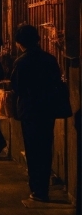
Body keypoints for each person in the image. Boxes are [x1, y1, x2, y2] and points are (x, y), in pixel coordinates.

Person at [11, 23, 65, 202]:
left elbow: (17, 87)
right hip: (47, 109)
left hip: (30, 110)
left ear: (20, 42)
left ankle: (37, 190)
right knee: (45, 147)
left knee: (33, 151)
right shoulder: (49, 59)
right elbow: (57, 80)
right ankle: (43, 187)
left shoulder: (22, 61)